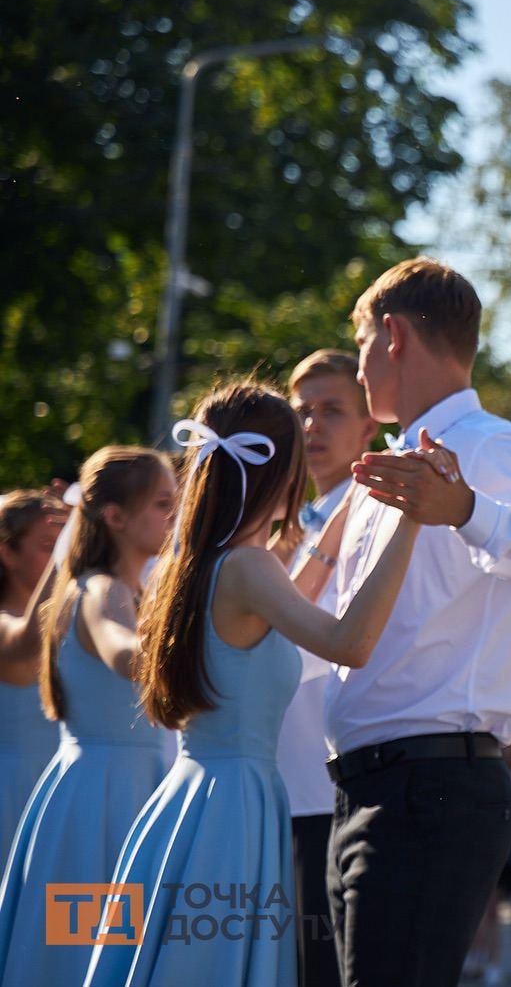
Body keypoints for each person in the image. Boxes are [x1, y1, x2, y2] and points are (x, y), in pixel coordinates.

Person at [324, 257, 511, 987]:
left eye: (358, 345)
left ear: (391, 335)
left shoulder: (489, 446)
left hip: (431, 788)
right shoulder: (386, 469)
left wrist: (468, 512)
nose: (358, 370)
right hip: (373, 790)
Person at [82, 380, 423, 986]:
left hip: (188, 795)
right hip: (235, 804)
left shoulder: (189, 566)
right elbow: (351, 643)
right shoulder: (248, 567)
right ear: (280, 475)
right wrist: (409, 524)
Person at [0, 447, 176, 987]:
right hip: (103, 801)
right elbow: (128, 657)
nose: (175, 518)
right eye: (164, 504)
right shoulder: (100, 588)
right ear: (116, 517)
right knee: (87, 953)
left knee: (115, 951)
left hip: (122, 788)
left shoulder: (136, 588)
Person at [279, 348, 377, 987]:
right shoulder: (282, 527)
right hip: (277, 792)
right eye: (301, 412)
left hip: (327, 793)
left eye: (332, 410)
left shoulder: (369, 516)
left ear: (371, 425)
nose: (312, 426)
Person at [0, 489, 69, 848]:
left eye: (62, 543)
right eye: (48, 546)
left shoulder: (75, 620)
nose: (59, 554)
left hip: (60, 791)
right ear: (8, 552)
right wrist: (73, 544)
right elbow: (28, 643)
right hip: (11, 795)